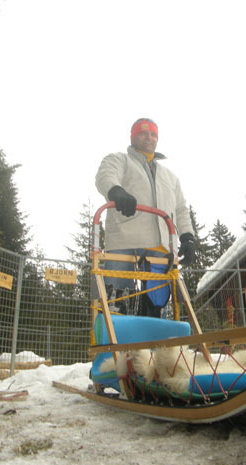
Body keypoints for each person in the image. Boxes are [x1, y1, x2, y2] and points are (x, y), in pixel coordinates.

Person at [95, 118, 196, 316]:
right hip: (125, 240)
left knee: (157, 305)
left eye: (153, 134)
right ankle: (113, 332)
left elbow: (181, 209)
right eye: (143, 133)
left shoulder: (170, 177)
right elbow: (105, 175)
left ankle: (156, 333)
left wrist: (187, 237)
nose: (149, 137)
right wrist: (116, 191)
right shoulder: (120, 160)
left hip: (160, 247)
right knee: (116, 301)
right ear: (133, 137)